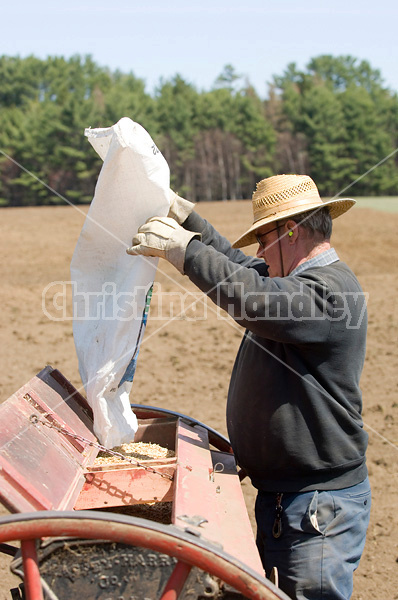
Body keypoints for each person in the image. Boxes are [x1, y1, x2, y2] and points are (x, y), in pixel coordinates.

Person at [127, 174, 371, 600]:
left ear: (291, 231)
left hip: (316, 510)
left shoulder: (332, 294)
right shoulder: (300, 280)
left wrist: (183, 251)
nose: (258, 251)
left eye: (263, 238)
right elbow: (245, 268)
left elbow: (253, 295)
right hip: (291, 501)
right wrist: (190, 221)